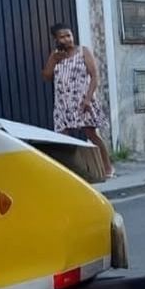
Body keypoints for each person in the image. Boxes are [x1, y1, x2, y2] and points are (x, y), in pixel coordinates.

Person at [42, 23, 114, 179]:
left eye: (69, 35)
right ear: (56, 39)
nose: (67, 39)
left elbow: (95, 76)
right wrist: (53, 59)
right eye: (62, 37)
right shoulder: (56, 56)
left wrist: (88, 99)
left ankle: (108, 167)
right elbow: (46, 76)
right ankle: (70, 172)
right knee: (62, 137)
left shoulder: (83, 52)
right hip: (63, 103)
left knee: (91, 134)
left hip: (82, 101)